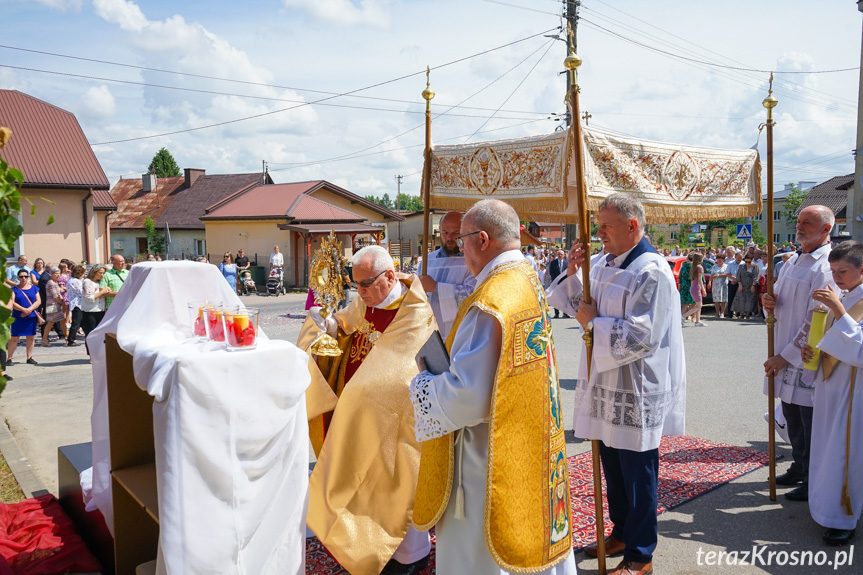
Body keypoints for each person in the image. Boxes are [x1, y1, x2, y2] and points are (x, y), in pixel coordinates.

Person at [410, 199, 575, 575]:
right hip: (528, 438)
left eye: (463, 240)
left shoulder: (493, 301)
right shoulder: (527, 279)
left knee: (484, 555)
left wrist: (424, 381)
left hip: (486, 456)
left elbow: (468, 397)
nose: (458, 248)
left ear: (482, 239)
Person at [546, 193, 686, 575]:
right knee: (612, 465)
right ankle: (621, 532)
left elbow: (642, 336)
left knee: (637, 470)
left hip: (635, 385)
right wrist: (575, 273)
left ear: (632, 226)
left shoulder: (652, 270)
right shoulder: (601, 263)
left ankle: (641, 555)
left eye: (605, 224)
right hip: (604, 379)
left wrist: (593, 323)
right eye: (597, 223)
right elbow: (576, 304)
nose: (597, 232)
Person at [297, 245, 435, 575]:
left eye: (366, 284)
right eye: (354, 285)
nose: (359, 293)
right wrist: (328, 325)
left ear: (389, 277)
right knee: (355, 485)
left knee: (392, 489)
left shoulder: (415, 313)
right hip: (356, 414)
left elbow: (407, 370)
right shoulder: (365, 300)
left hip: (392, 422)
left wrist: (367, 394)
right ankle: (359, 547)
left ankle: (407, 558)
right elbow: (346, 327)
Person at [762, 205, 836, 502]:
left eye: (808, 222)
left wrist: (786, 356)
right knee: (791, 415)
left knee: (809, 420)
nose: (800, 226)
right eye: (798, 221)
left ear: (826, 229)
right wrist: (771, 301)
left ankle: (814, 477)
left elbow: (817, 316)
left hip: (806, 358)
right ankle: (799, 466)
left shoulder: (827, 265)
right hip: (784, 347)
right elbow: (784, 301)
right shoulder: (793, 259)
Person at [800, 241, 863, 546]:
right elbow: (835, 336)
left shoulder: (850, 300)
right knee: (829, 448)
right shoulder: (848, 295)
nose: (837, 277)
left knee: (845, 452)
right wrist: (815, 346)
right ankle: (826, 506)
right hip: (832, 386)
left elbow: (861, 349)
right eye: (834, 271)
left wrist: (838, 310)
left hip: (854, 391)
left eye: (844, 271)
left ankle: (843, 517)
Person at [418, 211, 477, 338]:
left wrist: (435, 287)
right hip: (430, 333)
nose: (450, 238)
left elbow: (472, 297)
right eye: (445, 232)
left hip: (462, 334)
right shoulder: (427, 261)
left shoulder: (473, 261)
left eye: (455, 233)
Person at [8, 269, 41, 366]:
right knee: (14, 337)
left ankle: (29, 357)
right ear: (18, 278)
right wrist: (23, 309)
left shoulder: (34, 288)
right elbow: (12, 302)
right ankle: (9, 358)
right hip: (18, 316)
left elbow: (38, 301)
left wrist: (29, 309)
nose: (23, 278)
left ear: (28, 278)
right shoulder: (14, 289)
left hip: (31, 316)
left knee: (30, 337)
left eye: (26, 276)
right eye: (21, 276)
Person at [83, 265, 111, 355]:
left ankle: (99, 353)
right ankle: (91, 354)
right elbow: (90, 298)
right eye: (100, 273)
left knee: (100, 334)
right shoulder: (88, 282)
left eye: (103, 273)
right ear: (94, 272)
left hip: (100, 310)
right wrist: (102, 292)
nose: (102, 275)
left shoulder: (100, 283)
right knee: (91, 334)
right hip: (90, 311)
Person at [42, 266, 67, 346]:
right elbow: (55, 296)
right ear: (51, 274)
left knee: (62, 321)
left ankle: (68, 337)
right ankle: (44, 339)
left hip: (56, 305)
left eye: (59, 273)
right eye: (56, 273)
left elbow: (58, 293)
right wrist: (61, 302)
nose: (58, 275)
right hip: (53, 305)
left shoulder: (54, 282)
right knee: (50, 322)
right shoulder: (51, 283)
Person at [731, 254, 760, 319]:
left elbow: (756, 276)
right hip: (742, 285)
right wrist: (740, 285)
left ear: (752, 260)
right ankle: (741, 314)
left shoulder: (755, 266)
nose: (747, 263)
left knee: (750, 300)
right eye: (746, 261)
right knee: (741, 299)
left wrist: (753, 285)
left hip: (751, 285)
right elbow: (738, 276)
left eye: (749, 262)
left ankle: (747, 314)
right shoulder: (742, 266)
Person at [683, 252, 707, 326]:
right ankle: (683, 316)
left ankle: (697, 321)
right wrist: (703, 290)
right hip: (696, 288)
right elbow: (700, 280)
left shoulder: (693, 267)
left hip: (693, 287)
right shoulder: (699, 267)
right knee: (699, 306)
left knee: (698, 305)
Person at [66, 264, 86, 347]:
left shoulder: (71, 280)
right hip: (77, 304)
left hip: (77, 303)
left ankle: (87, 335)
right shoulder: (75, 281)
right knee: (76, 323)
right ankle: (71, 340)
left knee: (82, 322)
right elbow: (81, 292)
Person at [548, 249, 570, 318]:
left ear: (563, 255)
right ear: (557, 255)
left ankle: (565, 313)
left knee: (565, 299)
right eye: (559, 254)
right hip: (556, 283)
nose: (560, 256)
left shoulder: (567, 263)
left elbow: (568, 273)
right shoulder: (553, 263)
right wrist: (556, 281)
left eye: (561, 254)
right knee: (556, 298)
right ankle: (556, 313)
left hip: (564, 283)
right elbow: (551, 273)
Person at [711, 254, 730, 318]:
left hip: (723, 284)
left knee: (723, 299)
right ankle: (717, 313)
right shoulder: (714, 266)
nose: (719, 260)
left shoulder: (726, 266)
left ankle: (722, 313)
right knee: (716, 299)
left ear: (723, 259)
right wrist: (709, 282)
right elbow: (712, 274)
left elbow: (727, 274)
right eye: (718, 258)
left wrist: (718, 275)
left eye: (721, 258)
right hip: (716, 284)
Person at [679, 254, 694, 324]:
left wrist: (679, 287)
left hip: (684, 286)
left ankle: (681, 316)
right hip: (691, 285)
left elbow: (680, 278)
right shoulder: (694, 267)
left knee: (685, 303)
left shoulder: (683, 267)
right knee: (693, 302)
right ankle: (693, 317)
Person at [726, 252, 742, 317]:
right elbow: (727, 273)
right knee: (731, 298)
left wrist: (737, 280)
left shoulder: (743, 264)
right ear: (735, 257)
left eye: (740, 257)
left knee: (739, 299)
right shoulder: (730, 264)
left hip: (740, 284)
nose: (739, 259)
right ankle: (730, 313)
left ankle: (738, 313)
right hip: (732, 283)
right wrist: (735, 279)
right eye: (738, 257)